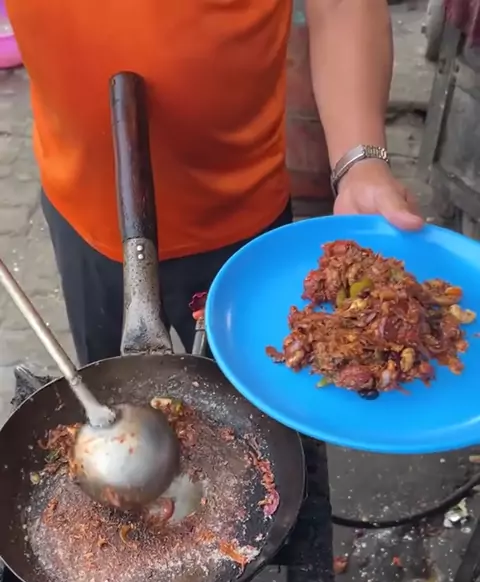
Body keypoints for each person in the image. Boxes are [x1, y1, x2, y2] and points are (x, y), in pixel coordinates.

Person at [7, 0, 423, 364]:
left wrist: (360, 163)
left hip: (239, 219)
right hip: (81, 210)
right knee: (107, 405)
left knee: (257, 405)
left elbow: (341, 5)